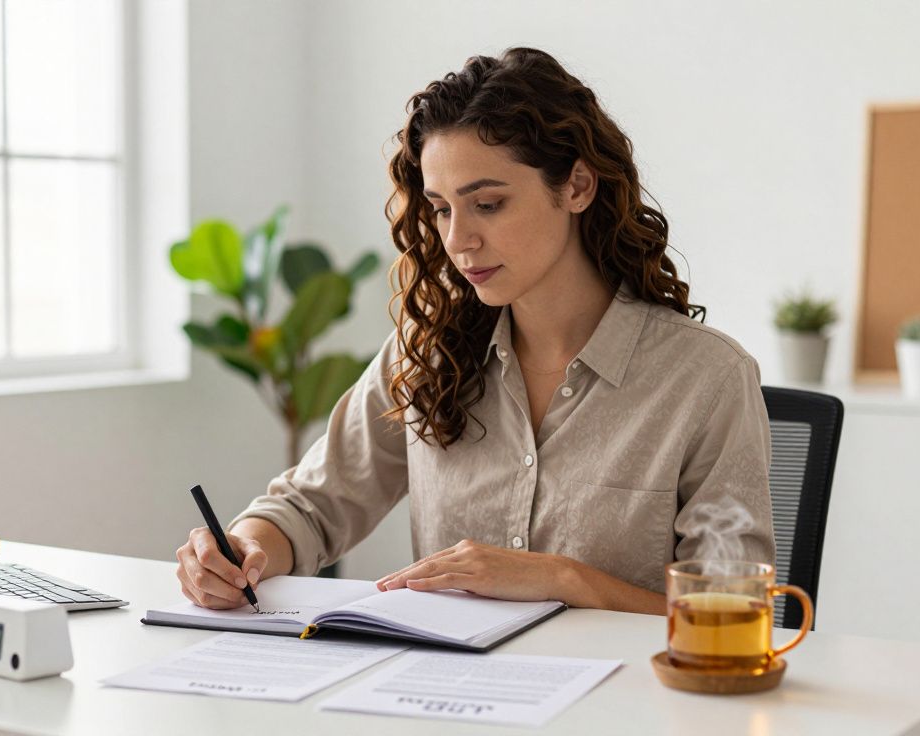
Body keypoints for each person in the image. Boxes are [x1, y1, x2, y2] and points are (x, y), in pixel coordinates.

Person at [175, 47, 774, 616]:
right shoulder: (426, 353)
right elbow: (311, 506)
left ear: (577, 186)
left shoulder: (706, 380)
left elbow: (736, 613)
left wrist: (563, 579)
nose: (458, 239)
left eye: (487, 204)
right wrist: (241, 551)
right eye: (440, 208)